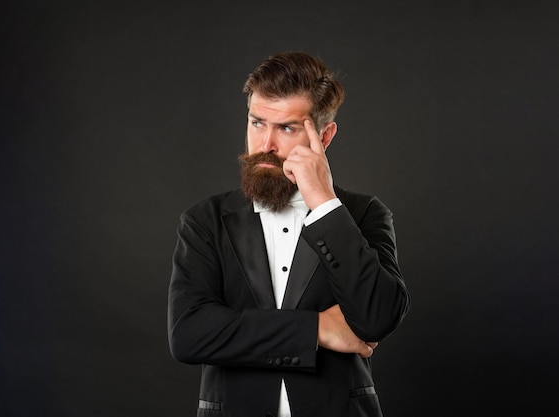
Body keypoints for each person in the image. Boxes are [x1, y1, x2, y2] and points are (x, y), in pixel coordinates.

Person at [167, 51, 410, 417]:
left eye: (286, 128)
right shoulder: (204, 220)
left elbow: (377, 318)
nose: (265, 145)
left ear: (324, 136)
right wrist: (316, 329)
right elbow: (189, 334)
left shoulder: (363, 214)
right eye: (256, 122)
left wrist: (325, 204)